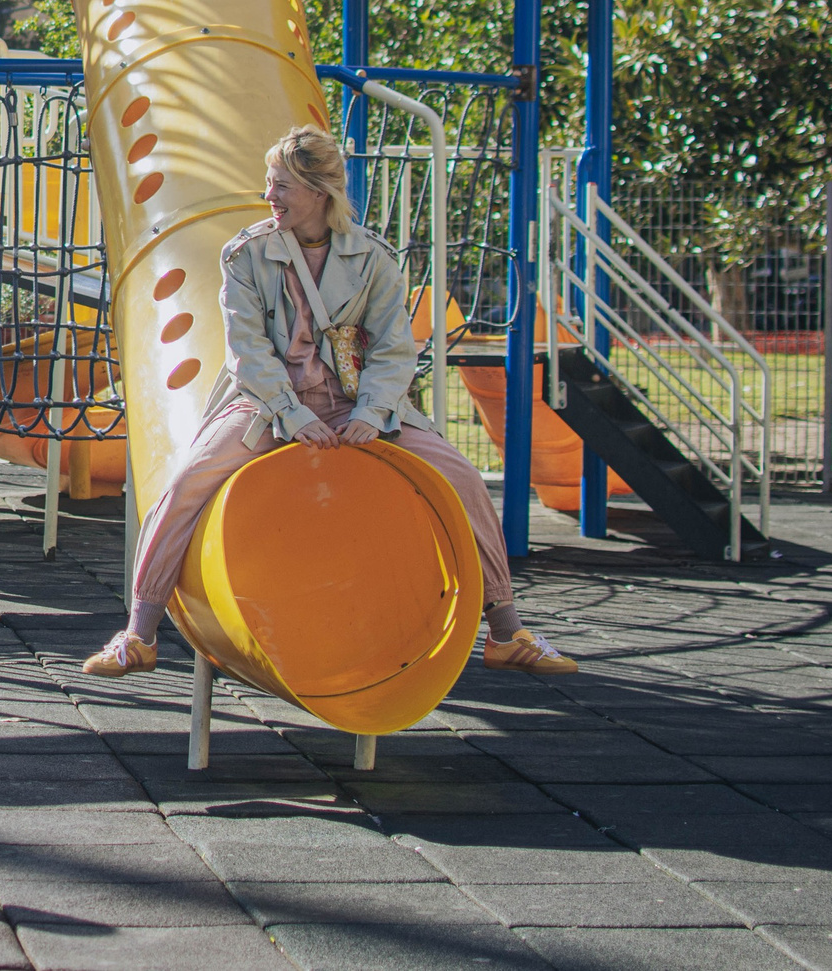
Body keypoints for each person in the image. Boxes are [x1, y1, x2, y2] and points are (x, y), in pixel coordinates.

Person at [82, 125, 576, 681]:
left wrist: (369, 414)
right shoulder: (246, 254)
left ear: (320, 192)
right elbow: (248, 351)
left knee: (460, 475)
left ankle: (506, 629)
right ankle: (138, 633)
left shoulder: (372, 260)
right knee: (187, 481)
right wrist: (293, 416)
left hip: (353, 400)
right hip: (270, 404)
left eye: (283, 186)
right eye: (270, 183)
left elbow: (393, 350)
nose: (270, 196)